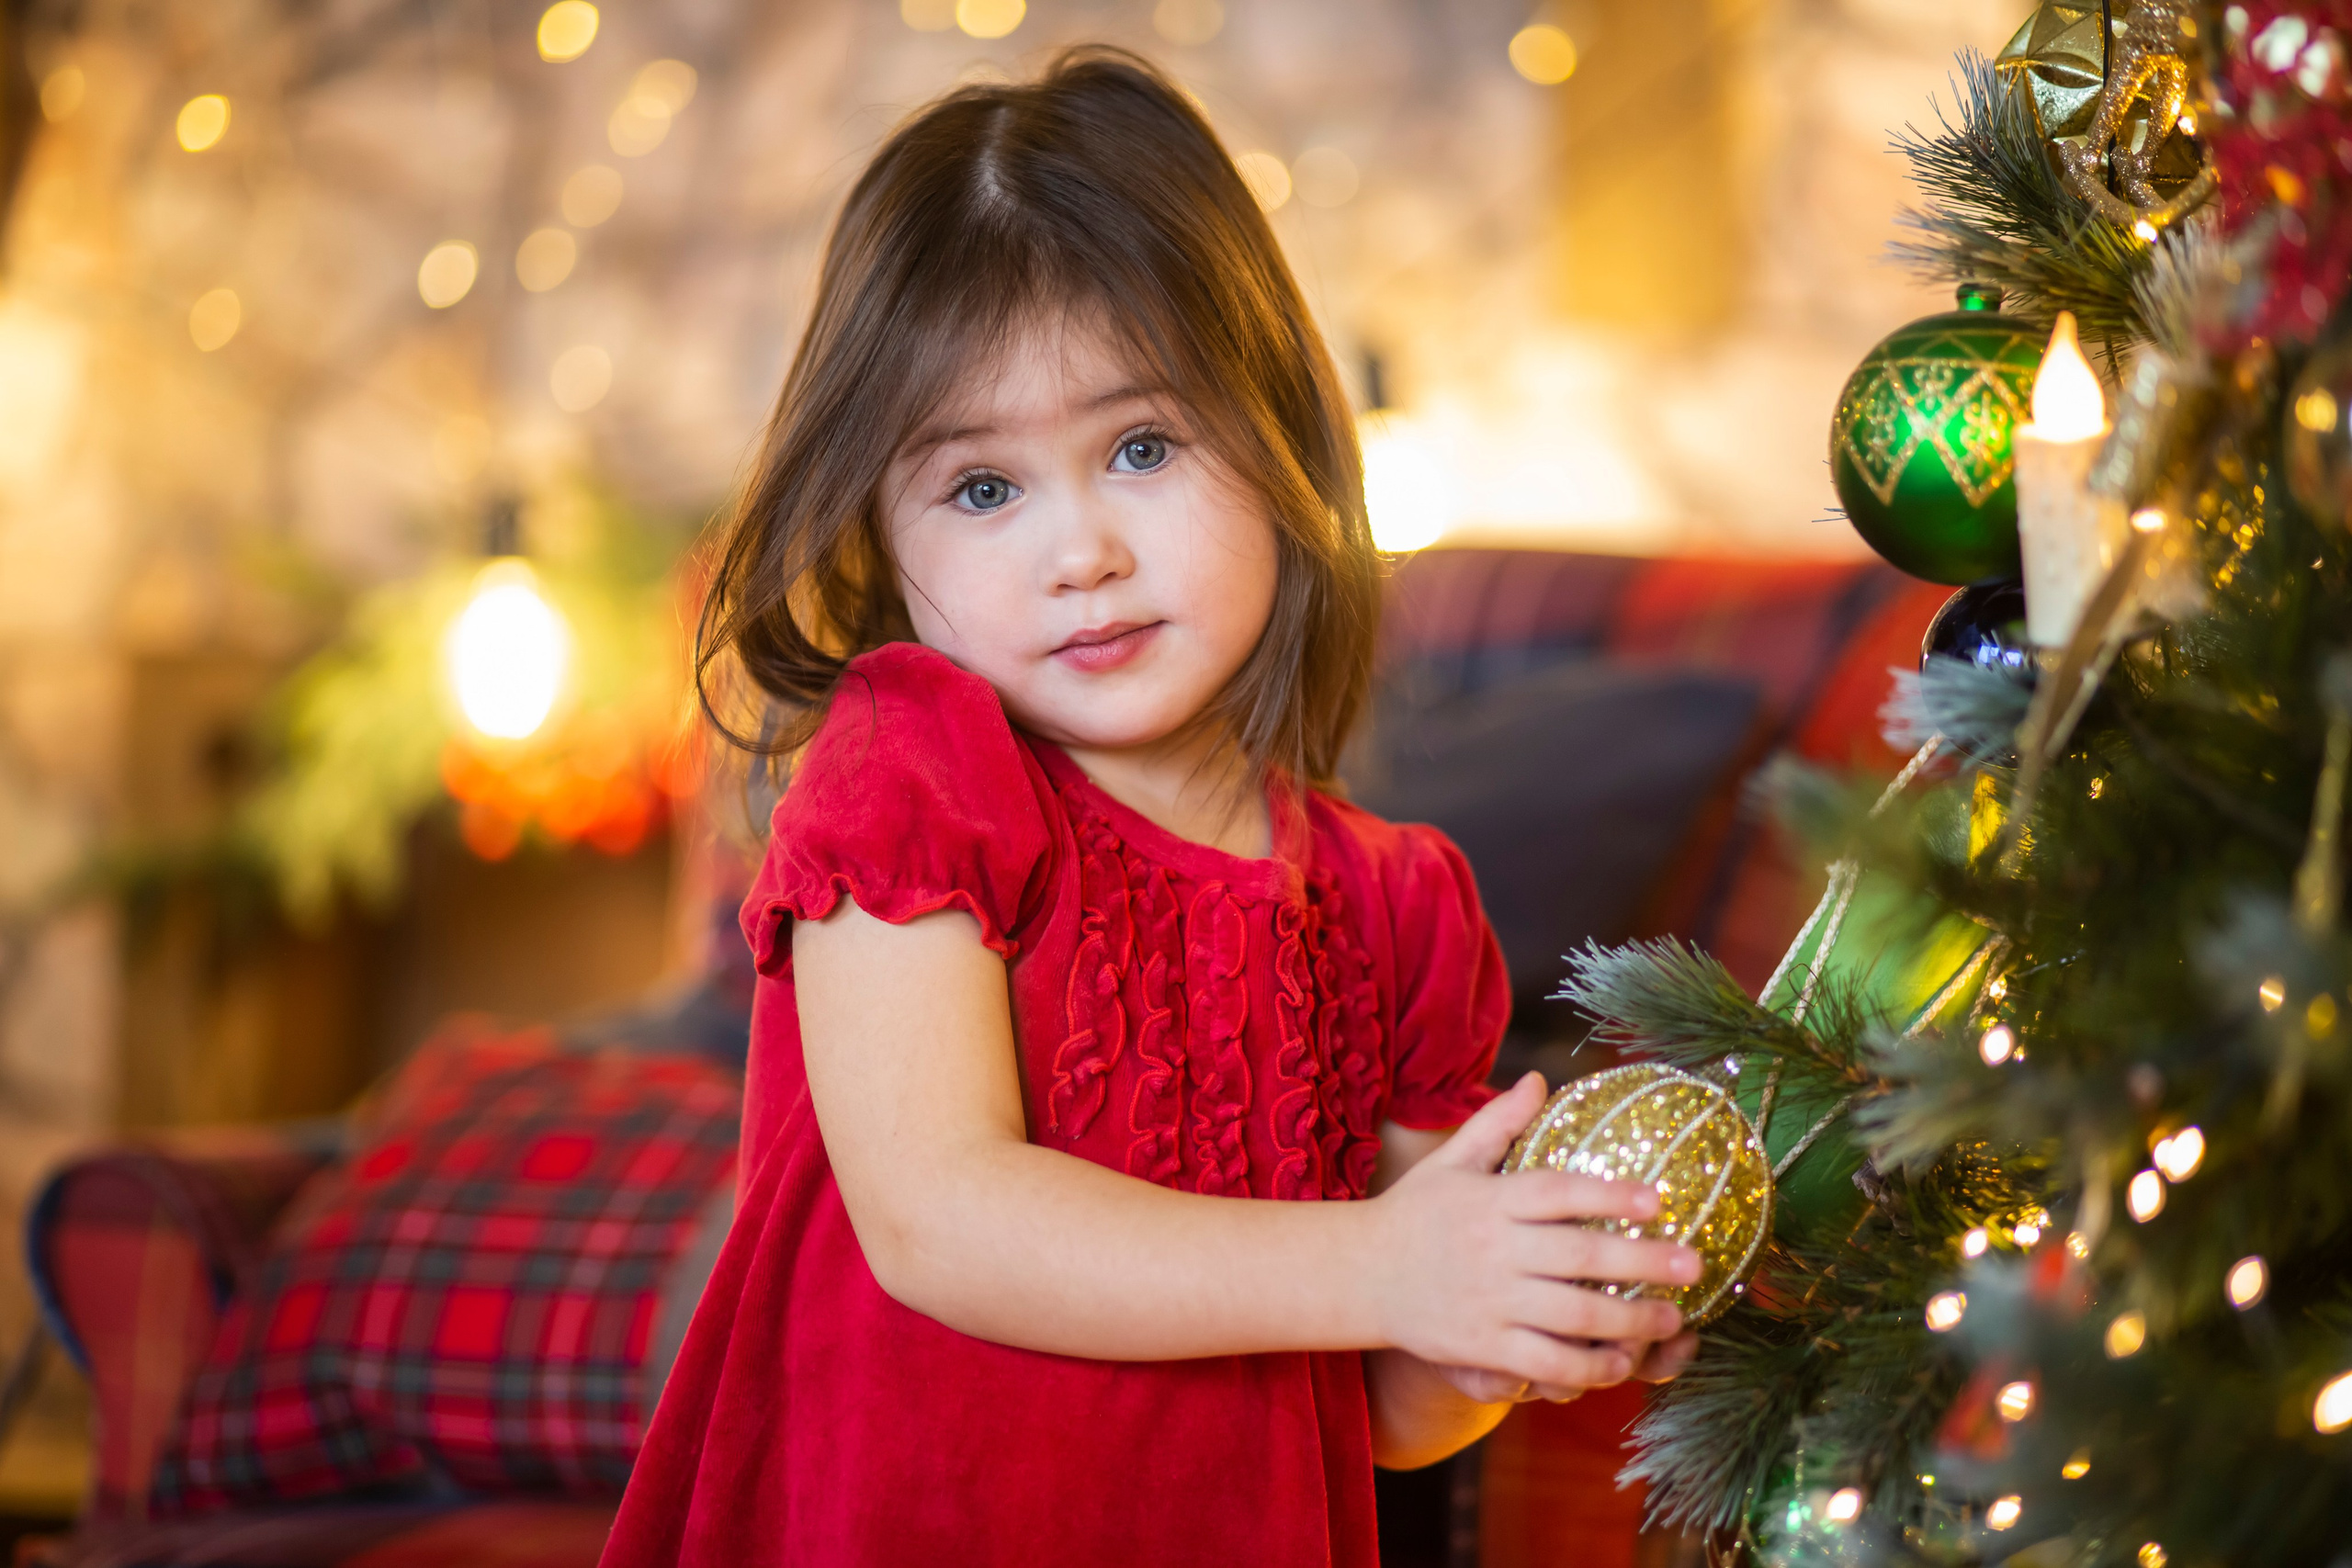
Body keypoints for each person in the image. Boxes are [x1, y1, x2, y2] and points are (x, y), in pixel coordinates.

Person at [602, 47, 1699, 1568]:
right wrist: (1384, 1262)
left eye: (1142, 447)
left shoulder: (1395, 904)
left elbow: (1379, 1402)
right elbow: (941, 1219)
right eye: (985, 489)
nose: (1083, 552)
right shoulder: (913, 774)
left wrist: (1502, 1325)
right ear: (884, 531)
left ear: (1277, 447)